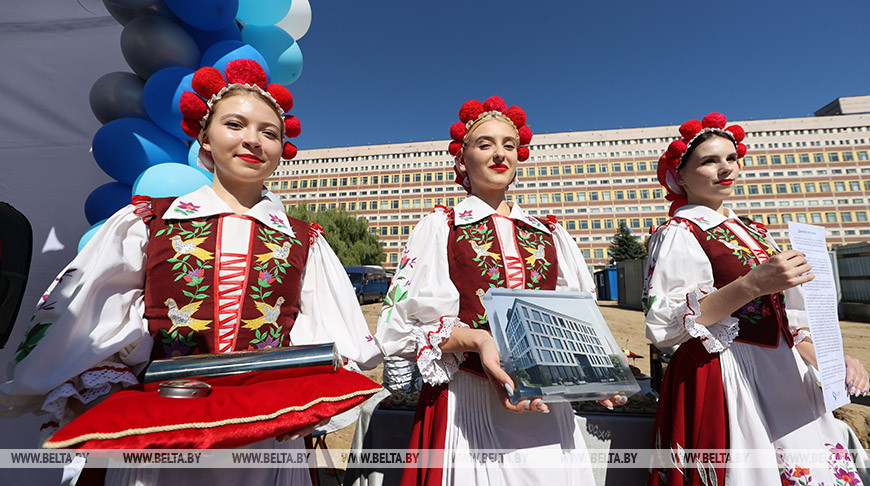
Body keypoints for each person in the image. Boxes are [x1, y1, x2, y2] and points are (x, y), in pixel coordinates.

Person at [0, 59, 381, 485]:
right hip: (164, 430)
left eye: (269, 132)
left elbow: (325, 335)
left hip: (265, 432)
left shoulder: (304, 239)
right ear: (204, 135)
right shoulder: (148, 221)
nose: (252, 140)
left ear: (282, 147)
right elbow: (91, 318)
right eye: (235, 124)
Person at [376, 96, 618, 485]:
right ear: (461, 159)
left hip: (547, 405)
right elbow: (402, 329)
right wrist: (479, 341)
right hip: (468, 398)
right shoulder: (442, 227)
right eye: (485, 144)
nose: (499, 153)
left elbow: (576, 317)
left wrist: (594, 373)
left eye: (509, 144)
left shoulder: (550, 233)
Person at [643, 112, 869, 485]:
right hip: (728, 371)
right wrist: (751, 284)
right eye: (709, 161)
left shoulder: (756, 232)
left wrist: (833, 361)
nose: (725, 169)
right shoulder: (678, 232)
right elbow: (667, 326)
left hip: (785, 371)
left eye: (731, 159)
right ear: (680, 176)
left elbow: (791, 321)